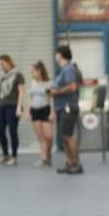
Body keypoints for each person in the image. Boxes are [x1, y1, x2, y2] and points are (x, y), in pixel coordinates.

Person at [50, 45, 82, 174]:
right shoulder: (63, 70)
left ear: (61, 54)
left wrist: (56, 91)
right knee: (64, 137)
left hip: (67, 107)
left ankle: (76, 163)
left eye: (56, 53)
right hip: (61, 107)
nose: (55, 56)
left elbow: (73, 87)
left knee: (68, 137)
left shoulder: (68, 69)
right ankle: (69, 162)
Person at [0, 54, 24, 166]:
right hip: (1, 106)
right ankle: (5, 155)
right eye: (0, 64)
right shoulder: (2, 77)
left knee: (12, 131)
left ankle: (14, 156)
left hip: (13, 106)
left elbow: (21, 92)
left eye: (2, 63)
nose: (1, 66)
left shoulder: (18, 74)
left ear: (8, 62)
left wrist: (19, 108)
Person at [28, 61, 54, 167]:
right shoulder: (33, 83)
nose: (31, 74)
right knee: (41, 137)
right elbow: (31, 98)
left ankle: (48, 155)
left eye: (33, 72)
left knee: (49, 137)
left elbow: (52, 98)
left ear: (39, 71)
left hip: (45, 109)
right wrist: (29, 112)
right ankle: (44, 159)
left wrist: (52, 112)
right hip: (35, 111)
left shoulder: (49, 83)